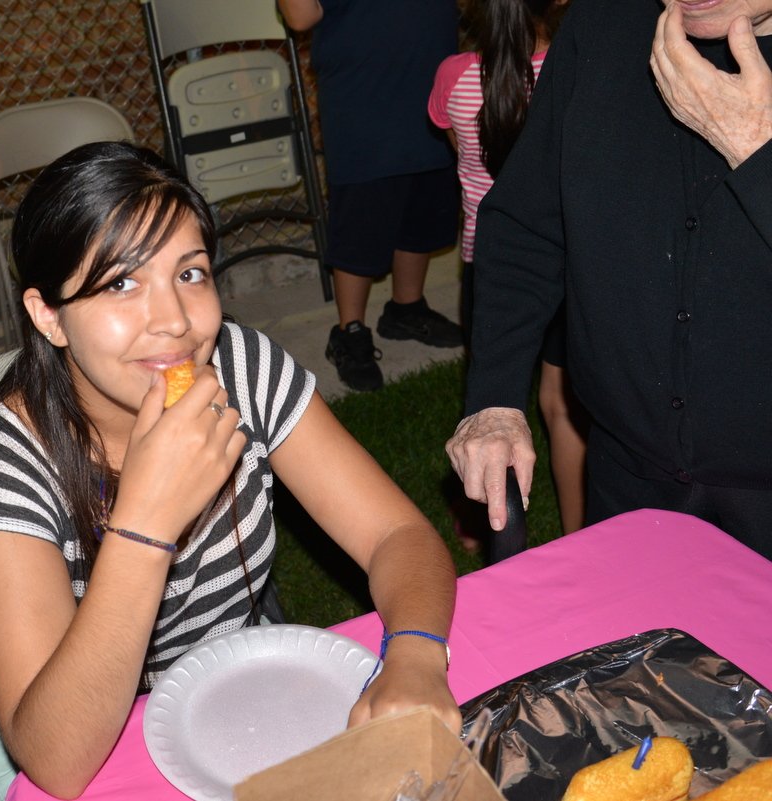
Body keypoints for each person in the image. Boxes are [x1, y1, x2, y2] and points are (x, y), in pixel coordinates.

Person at [0, 141, 460, 800]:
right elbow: (56, 758)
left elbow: (397, 534)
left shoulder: (242, 368)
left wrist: (416, 655)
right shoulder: (2, 460)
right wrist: (145, 524)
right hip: (54, 729)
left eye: (189, 273)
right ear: (49, 315)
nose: (175, 322)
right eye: (121, 283)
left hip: (225, 686)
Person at [445, 0, 772, 557]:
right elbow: (526, 222)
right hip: (628, 476)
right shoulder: (603, 23)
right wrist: (495, 398)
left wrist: (756, 147)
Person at [429, 0, 588, 535]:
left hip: (488, 265)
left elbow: (459, 148)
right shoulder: (576, 68)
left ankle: (482, 524)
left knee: (487, 406)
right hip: (563, 260)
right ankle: (578, 533)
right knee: (562, 405)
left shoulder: (454, 76)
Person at [278, 0, 464, 392]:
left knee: (424, 194)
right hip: (363, 88)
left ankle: (406, 308)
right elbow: (300, 17)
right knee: (364, 206)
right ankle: (350, 330)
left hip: (430, 68)